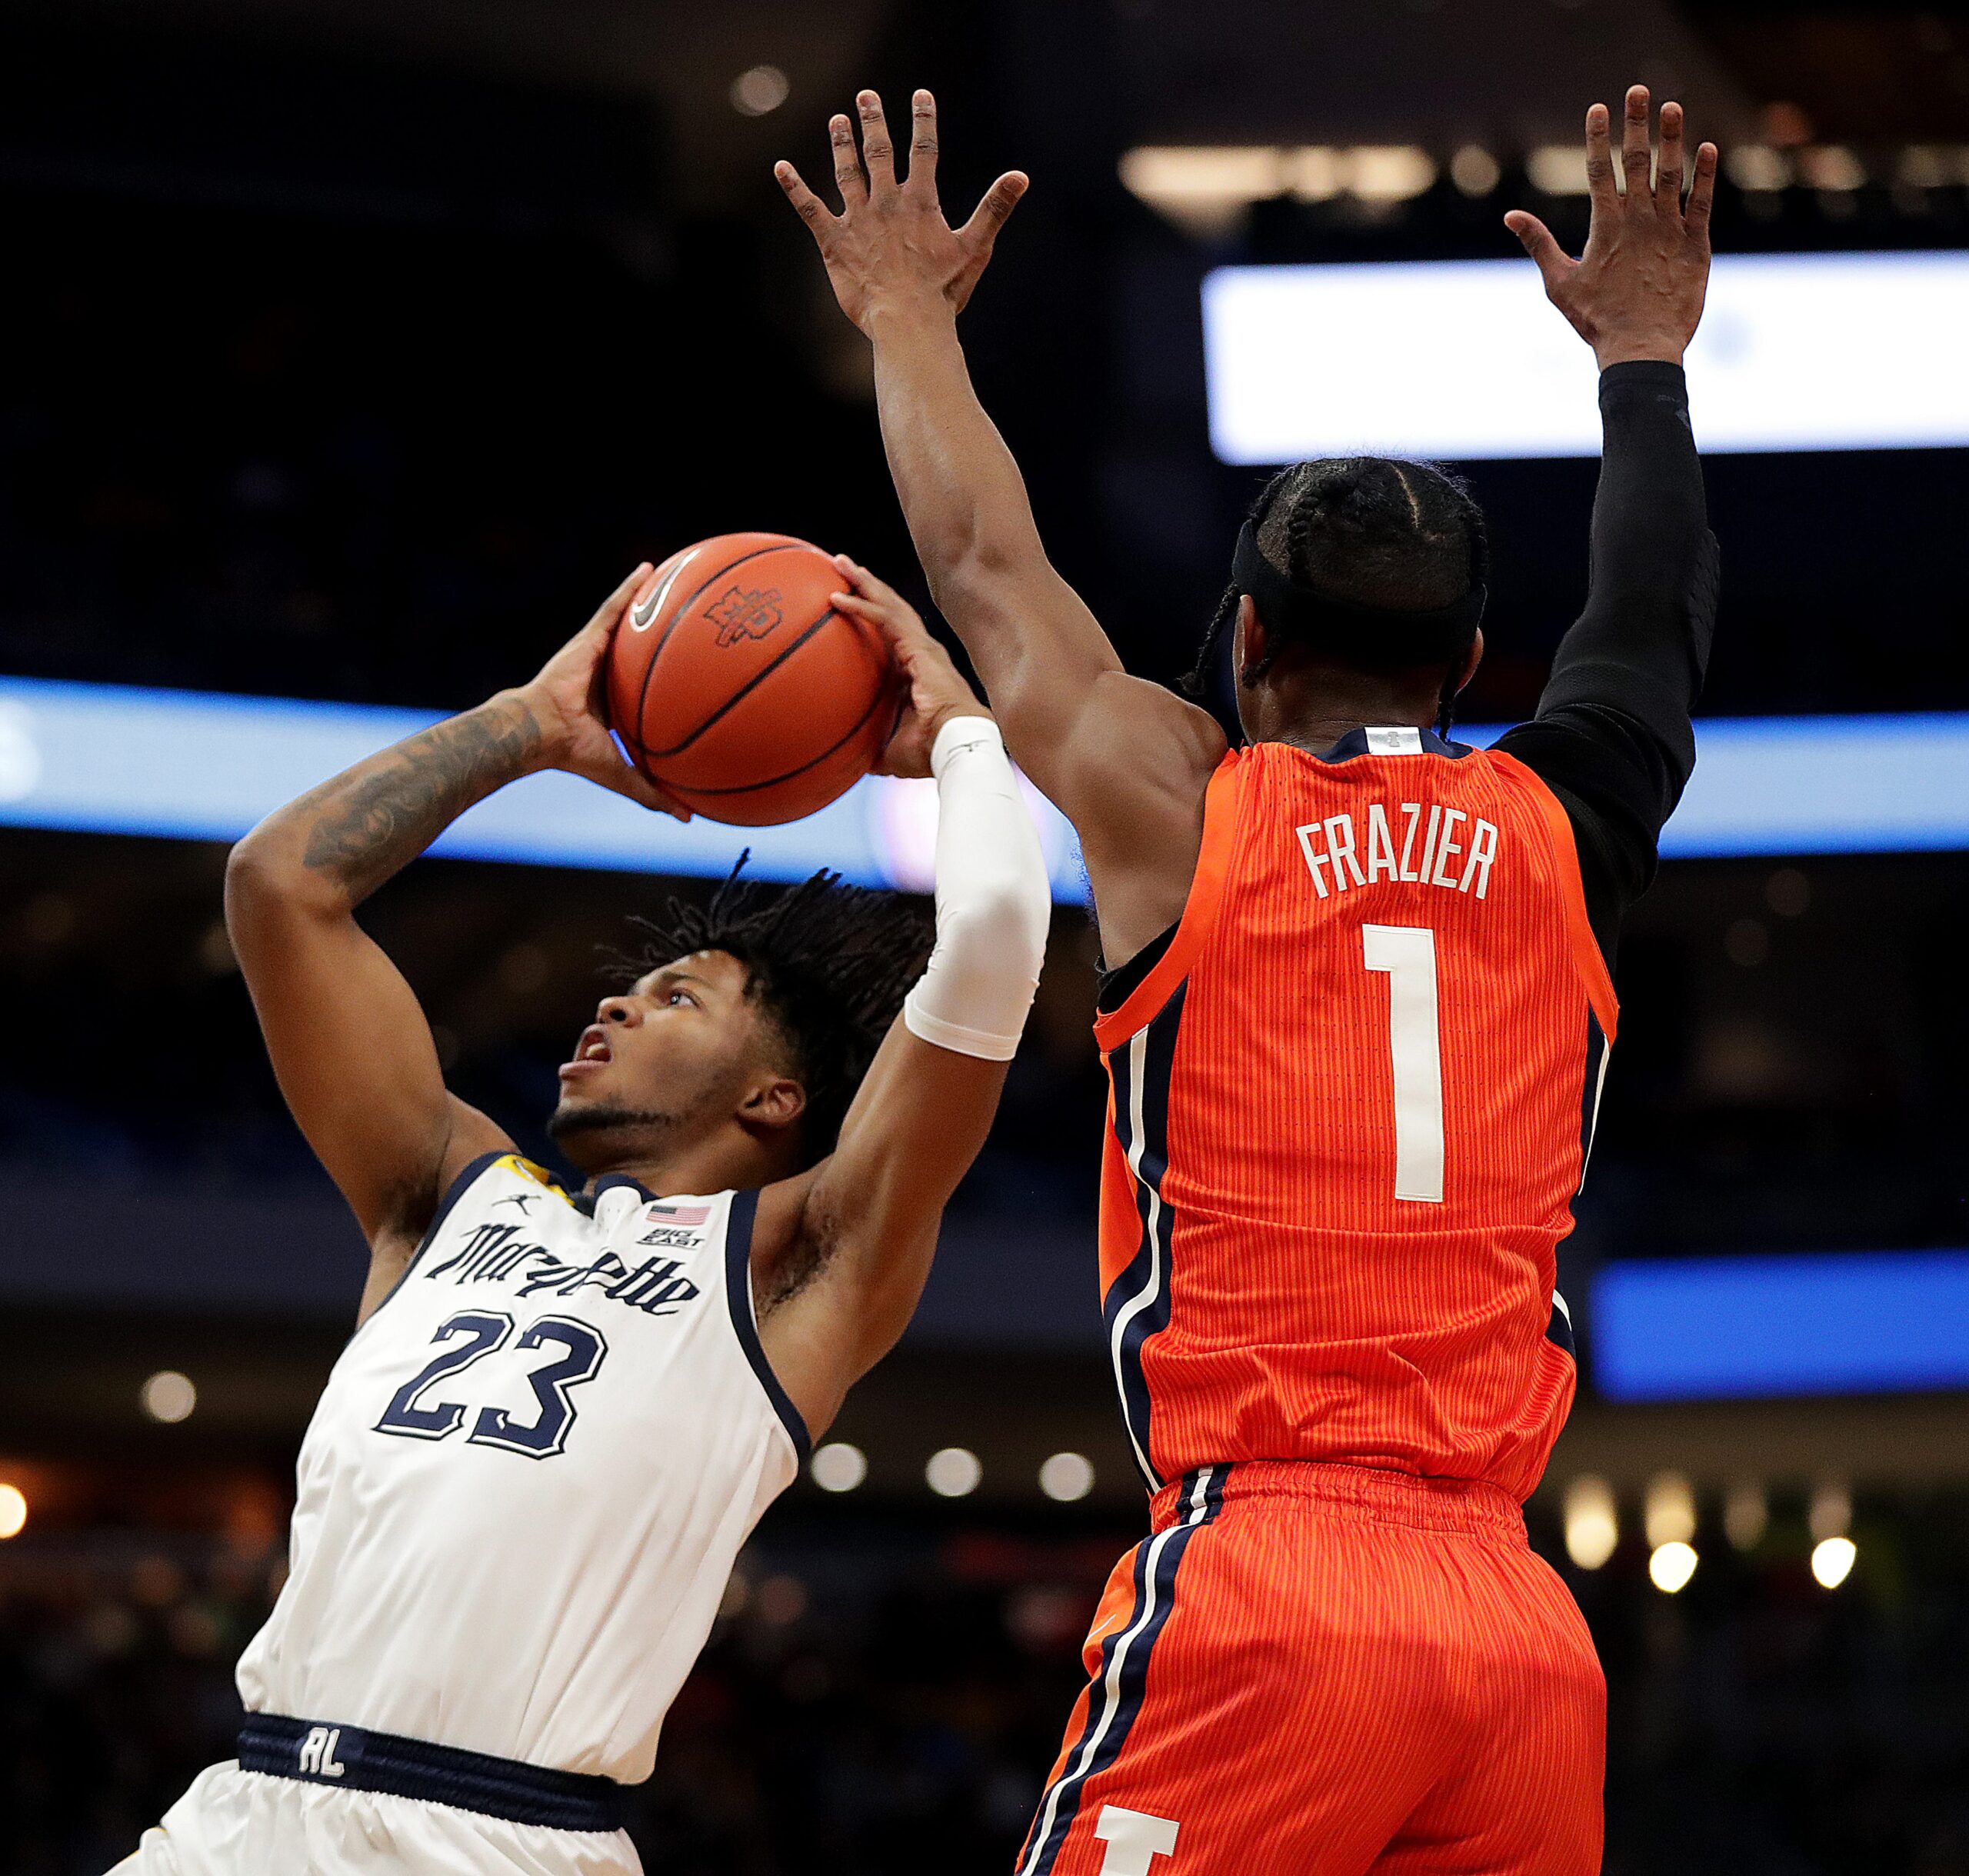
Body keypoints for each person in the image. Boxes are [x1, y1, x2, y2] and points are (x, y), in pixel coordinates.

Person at [780, 84, 1717, 1875]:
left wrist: (903, 313)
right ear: (1461, 661)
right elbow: (1648, 617)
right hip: (1517, 1627)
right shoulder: (1562, 824)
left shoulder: (1181, 801)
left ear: (1247, 636)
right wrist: (1646, 360)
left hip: (1274, 1572)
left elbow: (984, 565)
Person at [112, 558, 1052, 1874]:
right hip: (246, 1811)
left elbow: (1000, 929)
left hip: (505, 1838)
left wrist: (956, 733)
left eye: (675, 999)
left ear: (777, 1097)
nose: (609, 1007)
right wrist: (530, 727)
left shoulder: (800, 1259)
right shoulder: (450, 1191)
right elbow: (280, 886)